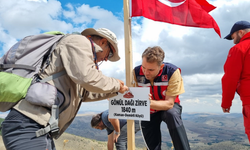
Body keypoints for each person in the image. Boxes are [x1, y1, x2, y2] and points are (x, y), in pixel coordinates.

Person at [1, 28, 129, 150]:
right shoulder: (80, 41)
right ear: (103, 42)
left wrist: (115, 91)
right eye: (110, 53)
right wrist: (116, 84)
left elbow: (85, 93)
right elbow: (87, 77)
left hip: (39, 128)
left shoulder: (77, 64)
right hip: (28, 125)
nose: (106, 59)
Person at [133, 46, 190, 150]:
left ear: (161, 66)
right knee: (152, 146)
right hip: (149, 111)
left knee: (171, 114)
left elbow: (169, 104)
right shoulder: (136, 72)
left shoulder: (172, 72)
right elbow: (132, 94)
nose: (146, 73)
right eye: (144, 67)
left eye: (151, 69)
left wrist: (147, 102)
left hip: (168, 107)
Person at [221, 20, 250, 142]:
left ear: (241, 32)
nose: (233, 41)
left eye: (233, 37)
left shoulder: (239, 49)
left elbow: (230, 78)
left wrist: (226, 103)